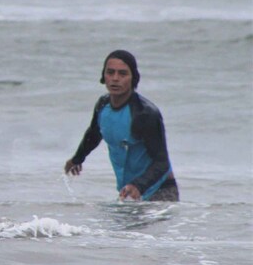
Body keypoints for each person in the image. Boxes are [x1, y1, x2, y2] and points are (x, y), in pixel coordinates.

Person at [64, 50, 179, 202]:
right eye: (110, 72)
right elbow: (94, 134)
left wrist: (138, 185)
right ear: (103, 76)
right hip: (129, 192)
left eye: (123, 74)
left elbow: (162, 162)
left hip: (160, 192)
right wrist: (77, 159)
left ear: (133, 78)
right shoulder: (103, 105)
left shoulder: (145, 114)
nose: (115, 79)